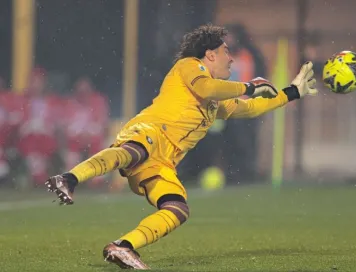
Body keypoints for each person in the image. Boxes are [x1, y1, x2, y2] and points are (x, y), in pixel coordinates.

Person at [45, 24, 318, 270]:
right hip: (149, 132)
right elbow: (209, 88)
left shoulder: (214, 101)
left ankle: (123, 246)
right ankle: (68, 178)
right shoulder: (189, 66)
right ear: (209, 55)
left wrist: (291, 92)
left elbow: (249, 108)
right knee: (134, 151)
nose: (231, 57)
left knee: (177, 209)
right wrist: (248, 85)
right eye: (225, 51)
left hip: (163, 162)